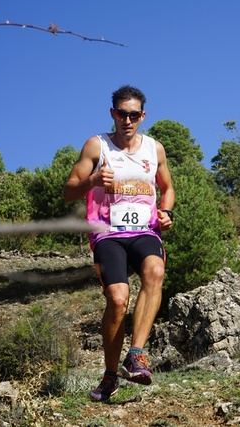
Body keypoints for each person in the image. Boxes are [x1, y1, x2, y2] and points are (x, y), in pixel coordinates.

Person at [64, 85, 175, 402]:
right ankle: (110, 375)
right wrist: (92, 181)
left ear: (143, 116)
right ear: (112, 114)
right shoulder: (97, 147)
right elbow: (69, 190)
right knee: (117, 300)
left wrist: (165, 212)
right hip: (107, 233)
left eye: (134, 115)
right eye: (122, 114)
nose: (128, 120)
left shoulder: (155, 150)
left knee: (155, 272)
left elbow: (167, 188)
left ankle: (137, 354)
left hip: (144, 230)